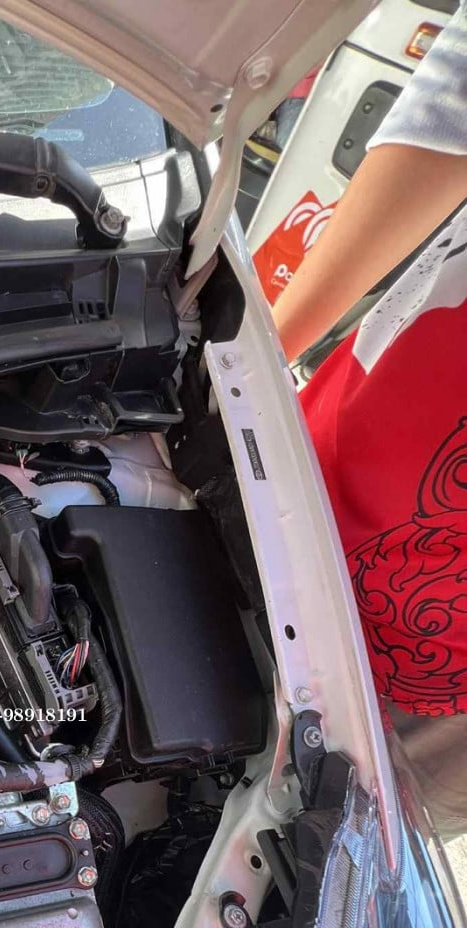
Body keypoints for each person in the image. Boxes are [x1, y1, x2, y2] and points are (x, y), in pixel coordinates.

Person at [270, 6, 467, 836]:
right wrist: (254, 350)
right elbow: (449, 119)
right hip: (336, 491)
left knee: (352, 854)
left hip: (449, 707)